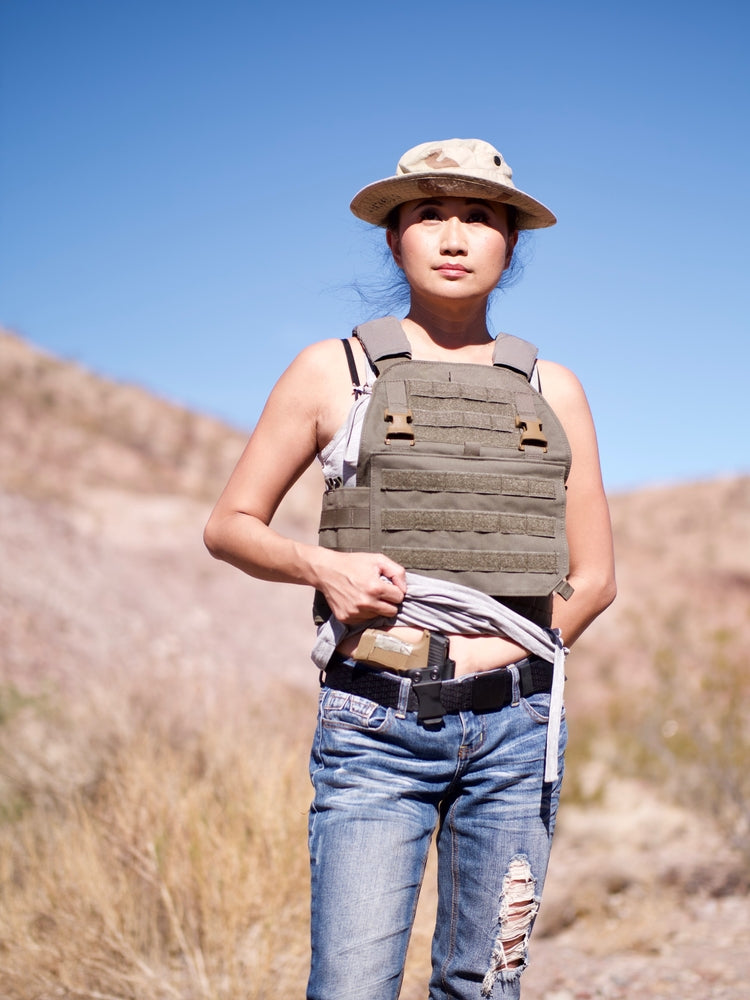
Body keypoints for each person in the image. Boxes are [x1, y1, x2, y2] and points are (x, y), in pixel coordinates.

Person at [204, 138, 616, 1000]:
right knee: (352, 988)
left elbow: (597, 576)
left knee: (484, 988)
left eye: (479, 217)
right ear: (394, 240)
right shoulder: (334, 371)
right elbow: (230, 526)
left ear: (511, 243)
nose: (454, 235)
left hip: (517, 729)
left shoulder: (553, 387)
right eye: (429, 214)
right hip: (374, 724)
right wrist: (322, 567)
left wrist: (510, 654)